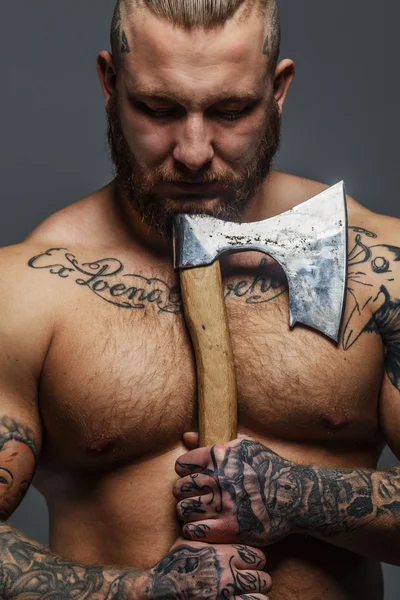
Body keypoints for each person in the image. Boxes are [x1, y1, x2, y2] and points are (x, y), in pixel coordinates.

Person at [0, 0, 398, 598]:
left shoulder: (379, 268)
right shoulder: (27, 290)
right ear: (110, 84)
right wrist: (138, 593)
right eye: (158, 109)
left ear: (279, 88)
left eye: (231, 110)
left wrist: (302, 496)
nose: (192, 150)